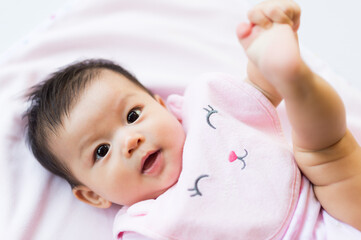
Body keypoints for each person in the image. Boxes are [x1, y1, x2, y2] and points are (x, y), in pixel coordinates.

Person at [24, 0, 361, 238]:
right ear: (94, 196)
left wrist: (265, 56)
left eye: (132, 115)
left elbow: (260, 91)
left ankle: (293, 75)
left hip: (330, 209)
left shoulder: (205, 113)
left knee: (325, 151)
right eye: (101, 151)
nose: (130, 140)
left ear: (162, 106)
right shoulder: (147, 224)